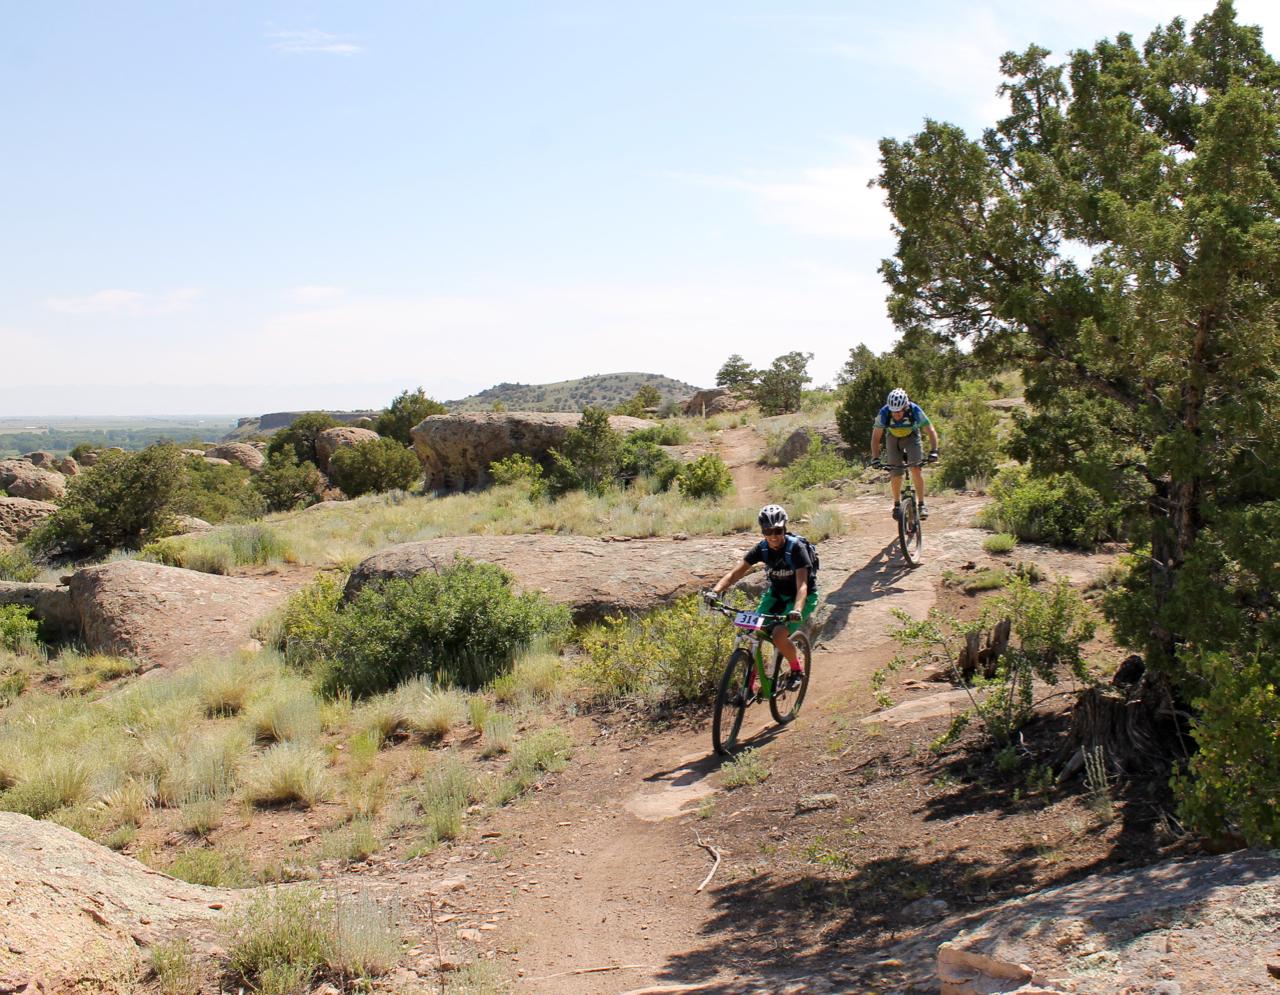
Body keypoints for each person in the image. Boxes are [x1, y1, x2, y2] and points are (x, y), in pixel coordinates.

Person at [702, 504, 817, 691]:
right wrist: (715, 592)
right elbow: (734, 574)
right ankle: (752, 681)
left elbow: (802, 585)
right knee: (752, 629)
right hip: (776, 594)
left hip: (801, 597)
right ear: (762, 531)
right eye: (767, 531)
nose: (773, 535)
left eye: (778, 530)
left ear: (784, 528)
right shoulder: (762, 549)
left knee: (779, 634)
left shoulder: (796, 549)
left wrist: (796, 610)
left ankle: (796, 670)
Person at [870, 387, 939, 520]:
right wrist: (875, 458)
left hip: (912, 436)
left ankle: (921, 504)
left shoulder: (914, 410)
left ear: (905, 407)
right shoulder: (884, 412)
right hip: (893, 438)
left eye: (899, 412)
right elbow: (875, 437)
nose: (896, 415)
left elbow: (930, 430)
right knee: (895, 472)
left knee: (916, 468)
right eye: (893, 412)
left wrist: (934, 451)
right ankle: (896, 504)